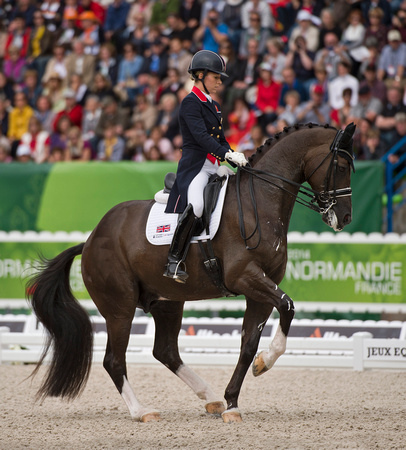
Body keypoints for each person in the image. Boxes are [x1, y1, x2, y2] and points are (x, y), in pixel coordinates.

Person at [163, 50, 247, 283]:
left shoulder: (215, 106)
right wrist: (226, 153)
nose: (220, 81)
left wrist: (233, 156)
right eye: (216, 77)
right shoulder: (190, 102)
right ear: (200, 75)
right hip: (196, 168)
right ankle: (174, 260)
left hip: (214, 164)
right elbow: (202, 138)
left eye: (220, 78)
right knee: (197, 205)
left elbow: (219, 140)